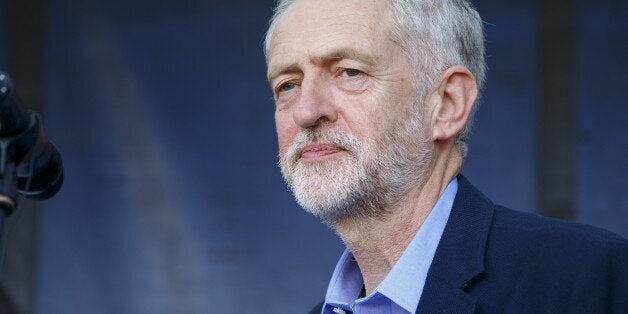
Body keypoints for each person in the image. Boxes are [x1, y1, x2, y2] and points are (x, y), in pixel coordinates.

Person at [263, 0, 628, 313]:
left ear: (447, 104)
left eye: (349, 72)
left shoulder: (587, 281)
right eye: (288, 85)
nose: (305, 112)